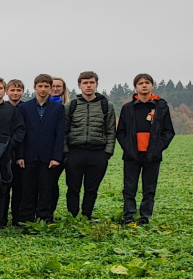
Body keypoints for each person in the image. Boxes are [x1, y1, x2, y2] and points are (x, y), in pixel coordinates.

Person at [116, 74, 175, 225]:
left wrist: (158, 148)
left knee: (149, 189)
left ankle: (145, 217)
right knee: (129, 189)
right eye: (140, 83)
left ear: (152, 86)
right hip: (132, 156)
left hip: (152, 156)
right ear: (135, 87)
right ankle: (129, 215)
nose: (144, 85)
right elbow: (121, 132)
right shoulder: (128, 108)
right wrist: (128, 148)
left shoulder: (161, 107)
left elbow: (168, 131)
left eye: (147, 83)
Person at [64, 71, 116, 220]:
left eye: (91, 82)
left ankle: (87, 215)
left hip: (97, 152)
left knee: (91, 189)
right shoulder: (71, 106)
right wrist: (66, 153)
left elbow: (111, 130)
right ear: (79, 85)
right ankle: (72, 216)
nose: (88, 86)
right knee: (73, 188)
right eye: (85, 83)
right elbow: (64, 130)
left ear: (96, 84)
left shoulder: (106, 105)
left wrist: (107, 153)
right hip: (75, 152)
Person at [16, 74, 66, 224]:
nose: (43, 89)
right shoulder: (24, 107)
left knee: (46, 189)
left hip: (48, 156)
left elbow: (60, 134)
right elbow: (21, 132)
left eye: (46, 86)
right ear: (34, 87)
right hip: (28, 155)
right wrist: (20, 156)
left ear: (51, 88)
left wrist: (56, 157)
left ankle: (45, 218)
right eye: (40, 86)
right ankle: (26, 219)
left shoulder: (58, 108)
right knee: (27, 189)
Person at [0, 77, 24, 231]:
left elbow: (20, 130)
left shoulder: (13, 110)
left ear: (4, 90)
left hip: (6, 154)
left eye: (0, 88)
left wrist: (9, 145)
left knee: (2, 188)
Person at [4, 79, 26, 225]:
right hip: (3, 153)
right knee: (3, 188)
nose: (15, 93)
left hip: (21, 152)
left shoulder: (26, 108)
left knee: (19, 188)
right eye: (12, 90)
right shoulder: (2, 107)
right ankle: (2, 217)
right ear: (7, 91)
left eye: (18, 90)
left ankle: (17, 218)